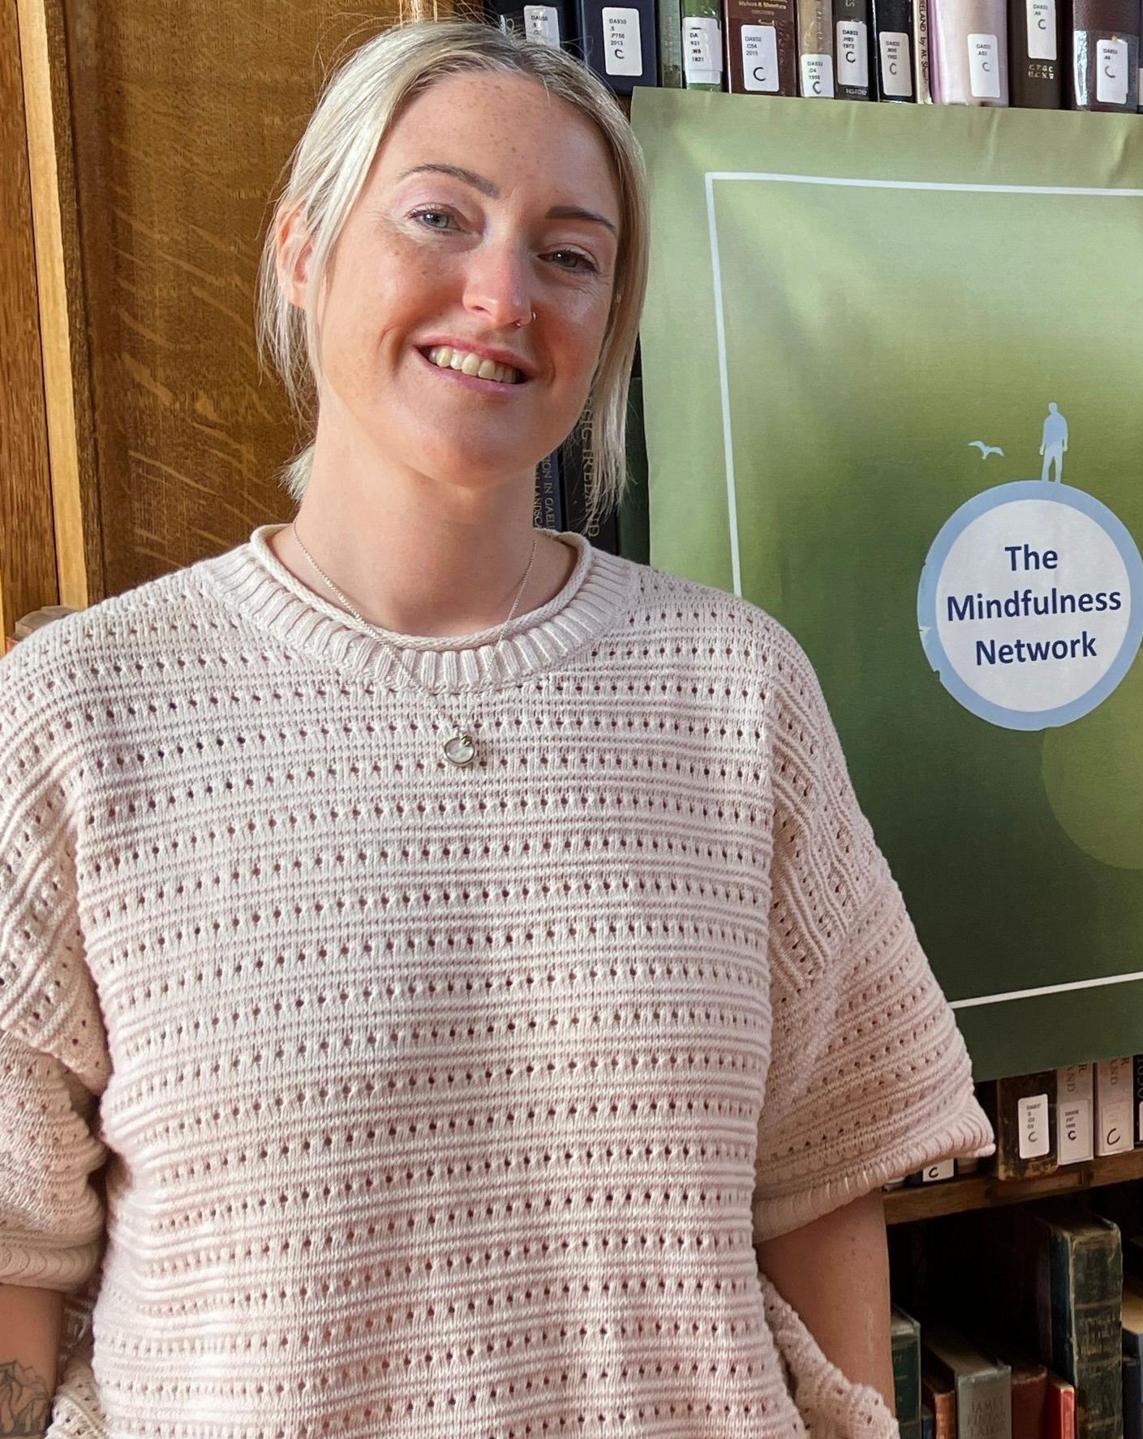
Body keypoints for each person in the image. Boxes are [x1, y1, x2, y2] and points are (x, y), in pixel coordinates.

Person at [0, 21, 991, 1437]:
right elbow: (14, 1258)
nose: (501, 291)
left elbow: (826, 1176)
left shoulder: (736, 690)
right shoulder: (80, 716)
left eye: (569, 253)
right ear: (303, 250)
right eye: (439, 216)